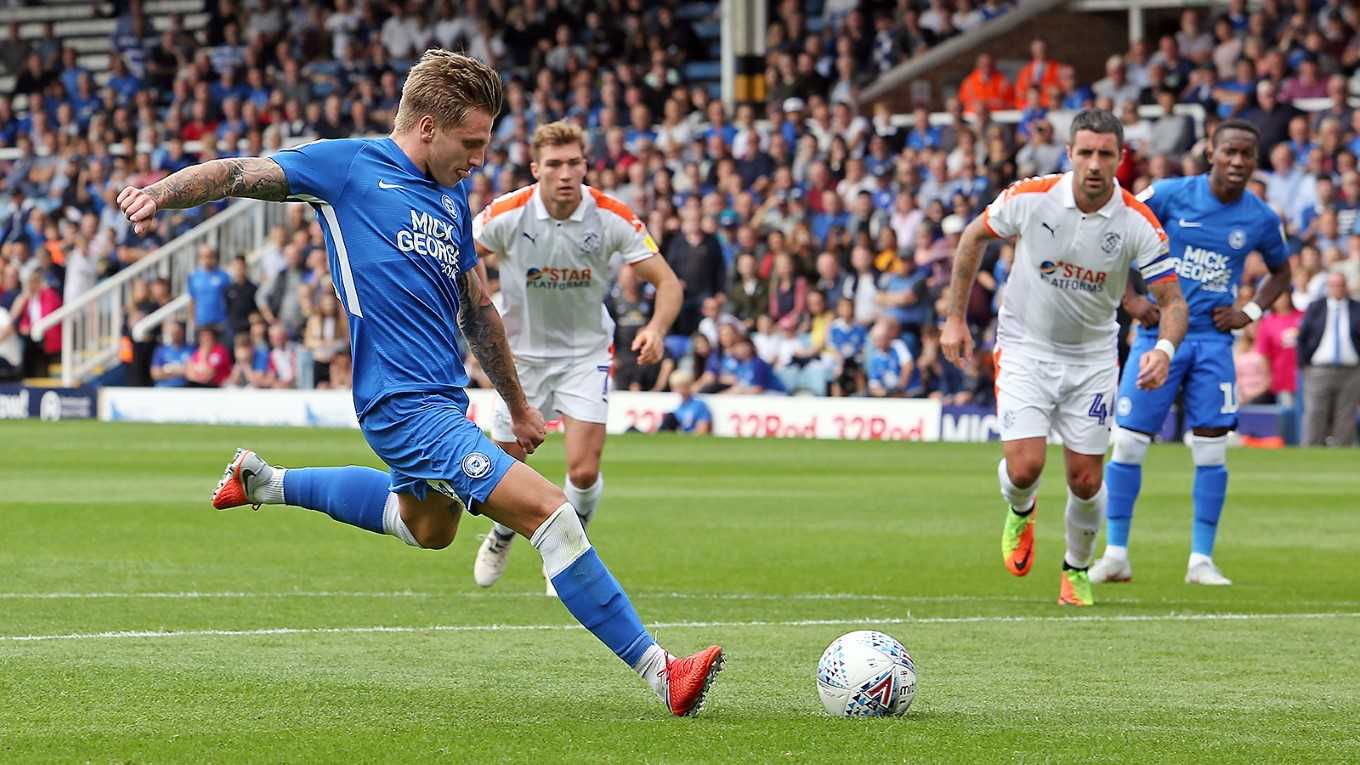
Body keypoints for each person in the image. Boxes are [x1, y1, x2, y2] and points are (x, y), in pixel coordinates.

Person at [117, 50, 723, 717]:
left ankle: (266, 481)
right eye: (473, 143)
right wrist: (161, 192)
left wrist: (518, 407)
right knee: (551, 514)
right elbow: (237, 172)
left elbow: (478, 309)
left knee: (428, 529)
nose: (480, 160)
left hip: (443, 402)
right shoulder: (348, 167)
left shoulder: (453, 198)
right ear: (428, 127)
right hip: (400, 404)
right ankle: (661, 669)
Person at [940, 109, 1188, 607]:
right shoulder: (1033, 198)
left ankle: (1075, 569)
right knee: (1026, 467)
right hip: (1025, 348)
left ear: (1121, 158)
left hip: (1092, 359)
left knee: (1086, 478)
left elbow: (1173, 302)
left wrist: (1164, 349)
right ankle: (1020, 509)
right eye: (1086, 152)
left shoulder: (1137, 222)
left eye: (1105, 154)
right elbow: (972, 237)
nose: (1095, 164)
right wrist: (954, 318)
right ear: (1069, 153)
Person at [468, 121, 683, 595]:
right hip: (519, 354)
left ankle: (568, 550)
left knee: (583, 469)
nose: (565, 173)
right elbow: (461, 250)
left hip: (585, 353)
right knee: (508, 467)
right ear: (535, 169)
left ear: (586, 165)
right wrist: (477, 302)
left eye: (574, 163)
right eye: (554, 164)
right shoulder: (508, 213)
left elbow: (667, 282)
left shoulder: (610, 216)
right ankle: (503, 532)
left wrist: (656, 328)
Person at [1091, 120, 1292, 588]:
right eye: (1230, 152)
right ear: (1211, 153)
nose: (1238, 162)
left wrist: (1251, 311)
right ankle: (1116, 553)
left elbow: (1282, 272)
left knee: (1211, 449)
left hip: (1213, 344)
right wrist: (1129, 299)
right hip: (1155, 337)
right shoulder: (1170, 193)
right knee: (1129, 442)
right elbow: (1112, 233)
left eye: (1247, 154)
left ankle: (1201, 560)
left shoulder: (1260, 217)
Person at [1297, 272, 1360, 446]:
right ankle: (1311, 451)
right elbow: (1302, 338)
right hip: (1319, 369)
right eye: (1333, 285)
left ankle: (1341, 454)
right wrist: (1304, 364)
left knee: (1346, 415)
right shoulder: (1316, 308)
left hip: (1351, 370)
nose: (1337, 289)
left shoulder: (1356, 308)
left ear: (1346, 287)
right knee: (1315, 413)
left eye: (1340, 285)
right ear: (1327, 288)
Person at [659, 369, 712, 434]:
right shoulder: (678, 407)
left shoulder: (699, 406)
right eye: (675, 387)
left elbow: (702, 431)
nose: (677, 390)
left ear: (688, 386)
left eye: (680, 386)